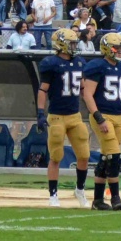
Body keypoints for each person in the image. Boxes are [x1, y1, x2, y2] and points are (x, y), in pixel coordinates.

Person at [80, 32, 121, 211]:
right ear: (106, 48)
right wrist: (99, 118)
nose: (120, 51)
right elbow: (87, 94)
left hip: (117, 116)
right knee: (114, 156)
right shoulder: (97, 66)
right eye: (116, 48)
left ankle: (98, 200)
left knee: (107, 157)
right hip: (102, 115)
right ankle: (115, 197)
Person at [37, 28, 90, 208]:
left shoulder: (79, 62)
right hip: (57, 116)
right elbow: (43, 90)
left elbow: (83, 88)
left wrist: (93, 109)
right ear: (61, 44)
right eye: (71, 43)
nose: (74, 47)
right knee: (56, 156)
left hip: (75, 115)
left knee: (84, 155)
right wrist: (40, 113)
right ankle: (53, 194)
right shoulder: (51, 63)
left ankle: (80, 190)